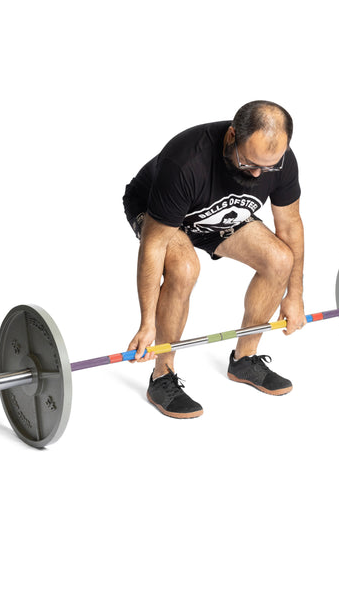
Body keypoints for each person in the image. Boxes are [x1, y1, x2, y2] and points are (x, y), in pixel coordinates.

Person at [122, 100, 305, 418]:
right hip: (162, 214)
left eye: (269, 166)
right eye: (250, 163)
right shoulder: (186, 161)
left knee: (279, 259)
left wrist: (296, 296)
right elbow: (153, 246)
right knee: (185, 267)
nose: (259, 173)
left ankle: (244, 361)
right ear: (232, 135)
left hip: (215, 215)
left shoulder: (281, 161)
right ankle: (162, 376)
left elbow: (290, 226)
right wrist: (146, 323)